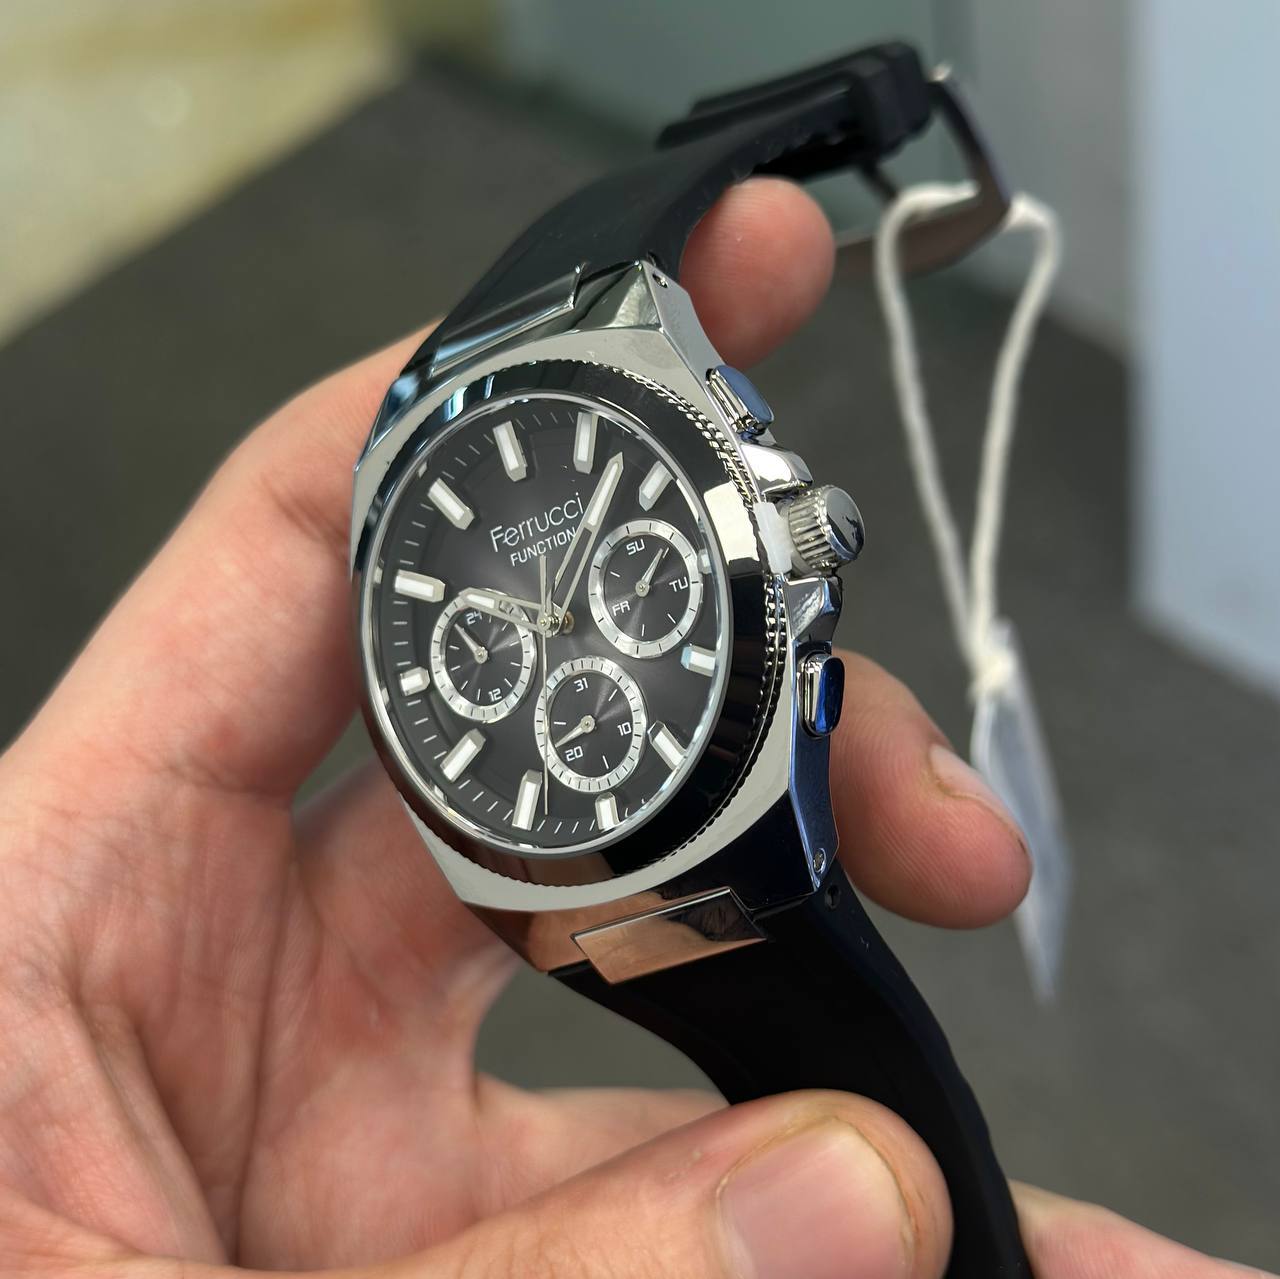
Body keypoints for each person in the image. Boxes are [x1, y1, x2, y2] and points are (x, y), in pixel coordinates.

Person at [0, 178, 1264, 1279]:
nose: (552, 624)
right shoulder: (412, 461)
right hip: (568, 860)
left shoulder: (514, 410)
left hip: (642, 843)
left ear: (793, 538)